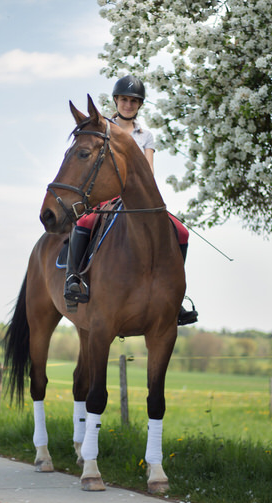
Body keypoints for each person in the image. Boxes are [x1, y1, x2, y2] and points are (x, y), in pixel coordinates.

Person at [64, 75, 198, 326]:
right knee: (84, 223)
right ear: (116, 100)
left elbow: (148, 171)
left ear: (139, 104)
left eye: (133, 101)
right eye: (124, 99)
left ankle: (175, 295)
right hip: (108, 197)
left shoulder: (146, 135)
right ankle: (74, 279)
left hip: (138, 198)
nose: (128, 104)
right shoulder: (103, 129)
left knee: (181, 232)